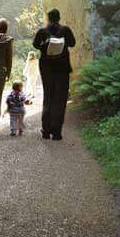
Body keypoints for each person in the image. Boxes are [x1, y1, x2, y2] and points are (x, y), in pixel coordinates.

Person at [32, 8, 76, 140]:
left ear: (48, 18)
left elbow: (35, 45)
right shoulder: (65, 30)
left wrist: (45, 44)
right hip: (62, 68)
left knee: (48, 97)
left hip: (46, 68)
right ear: (59, 17)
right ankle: (57, 132)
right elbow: (72, 43)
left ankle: (46, 130)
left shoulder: (42, 31)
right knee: (60, 99)